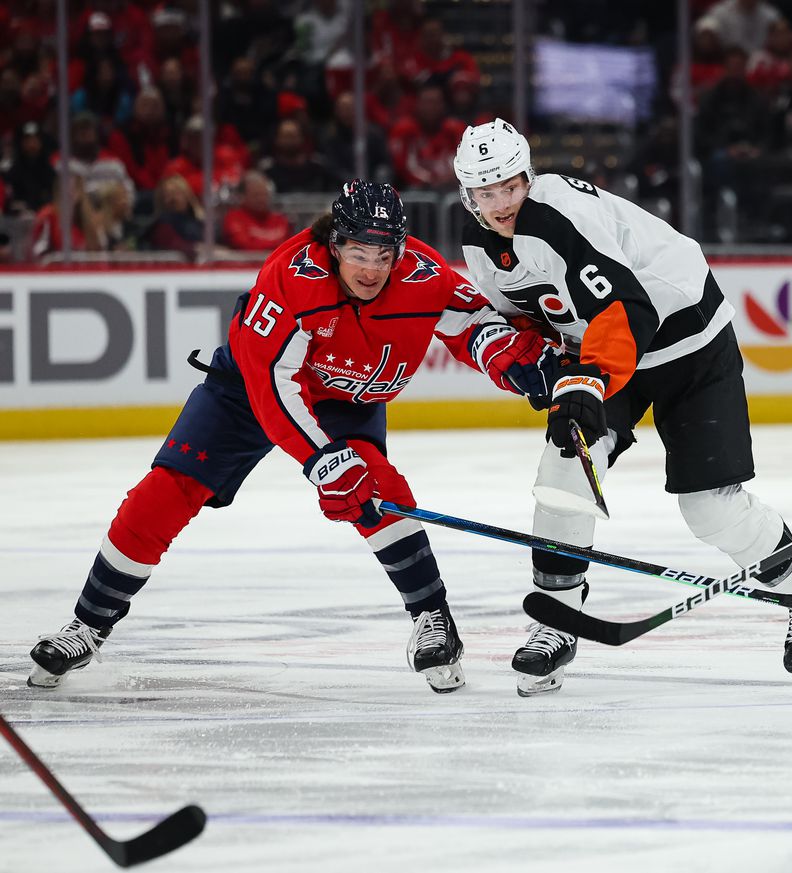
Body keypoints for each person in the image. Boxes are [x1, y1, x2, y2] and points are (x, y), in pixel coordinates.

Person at [28, 181, 556, 695]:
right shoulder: (290, 278)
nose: (372, 269)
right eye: (358, 252)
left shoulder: (422, 273)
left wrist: (510, 359)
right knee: (163, 493)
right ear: (334, 245)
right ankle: (87, 625)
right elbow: (273, 388)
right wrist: (322, 459)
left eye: (383, 254)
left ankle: (433, 619)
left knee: (378, 492)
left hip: (346, 399)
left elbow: (474, 323)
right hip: (248, 390)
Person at [453, 119, 792, 696]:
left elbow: (626, 310)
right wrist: (549, 375)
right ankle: (556, 621)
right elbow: (528, 322)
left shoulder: (554, 216)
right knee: (565, 470)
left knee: (711, 510)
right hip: (607, 355)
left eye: (511, 186)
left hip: (687, 343)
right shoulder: (481, 248)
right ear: (468, 196)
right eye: (487, 194)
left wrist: (586, 383)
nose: (502, 202)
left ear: (527, 176)